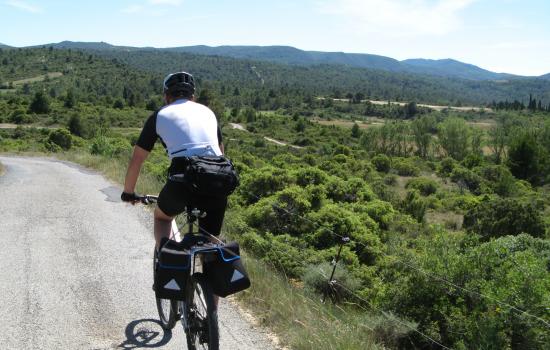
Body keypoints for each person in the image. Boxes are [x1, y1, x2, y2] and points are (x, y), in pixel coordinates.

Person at [121, 71, 227, 249]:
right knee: (210, 241)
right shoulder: (208, 112)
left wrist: (128, 192)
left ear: (166, 96)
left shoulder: (160, 115)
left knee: (162, 218)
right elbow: (221, 155)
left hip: (182, 178)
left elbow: (137, 159)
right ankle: (212, 269)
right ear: (192, 96)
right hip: (219, 178)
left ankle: (168, 259)